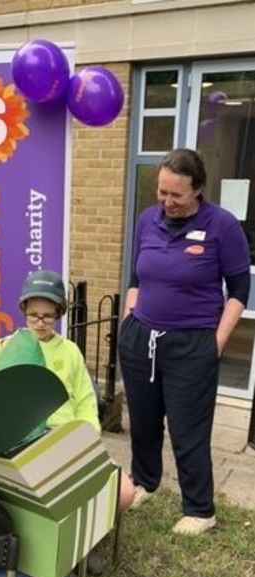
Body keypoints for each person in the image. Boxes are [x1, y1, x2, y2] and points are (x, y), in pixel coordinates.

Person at [0, 270, 135, 577]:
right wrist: (4, 345)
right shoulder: (11, 346)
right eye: (33, 316)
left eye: (47, 316)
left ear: (59, 314)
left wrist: (85, 438)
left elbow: (85, 400)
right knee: (57, 493)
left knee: (122, 493)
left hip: (68, 438)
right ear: (23, 312)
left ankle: (87, 544)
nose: (40, 323)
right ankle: (62, 557)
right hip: (30, 440)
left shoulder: (69, 351)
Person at [119, 148, 250, 536]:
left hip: (192, 344)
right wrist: (130, 315)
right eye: (162, 192)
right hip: (142, 337)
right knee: (142, 420)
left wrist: (216, 343)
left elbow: (240, 291)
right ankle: (144, 482)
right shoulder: (147, 220)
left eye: (176, 194)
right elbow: (137, 276)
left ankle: (199, 508)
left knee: (187, 427)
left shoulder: (222, 226)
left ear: (198, 190)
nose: (167, 202)